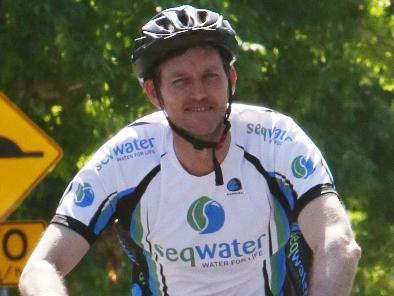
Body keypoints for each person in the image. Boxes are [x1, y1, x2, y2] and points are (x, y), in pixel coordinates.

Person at [19, 5, 361, 296]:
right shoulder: (125, 158)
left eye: (210, 76)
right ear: (154, 94)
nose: (199, 93)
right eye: (180, 81)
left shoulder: (275, 138)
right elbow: (41, 267)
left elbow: (338, 241)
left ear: (231, 79)